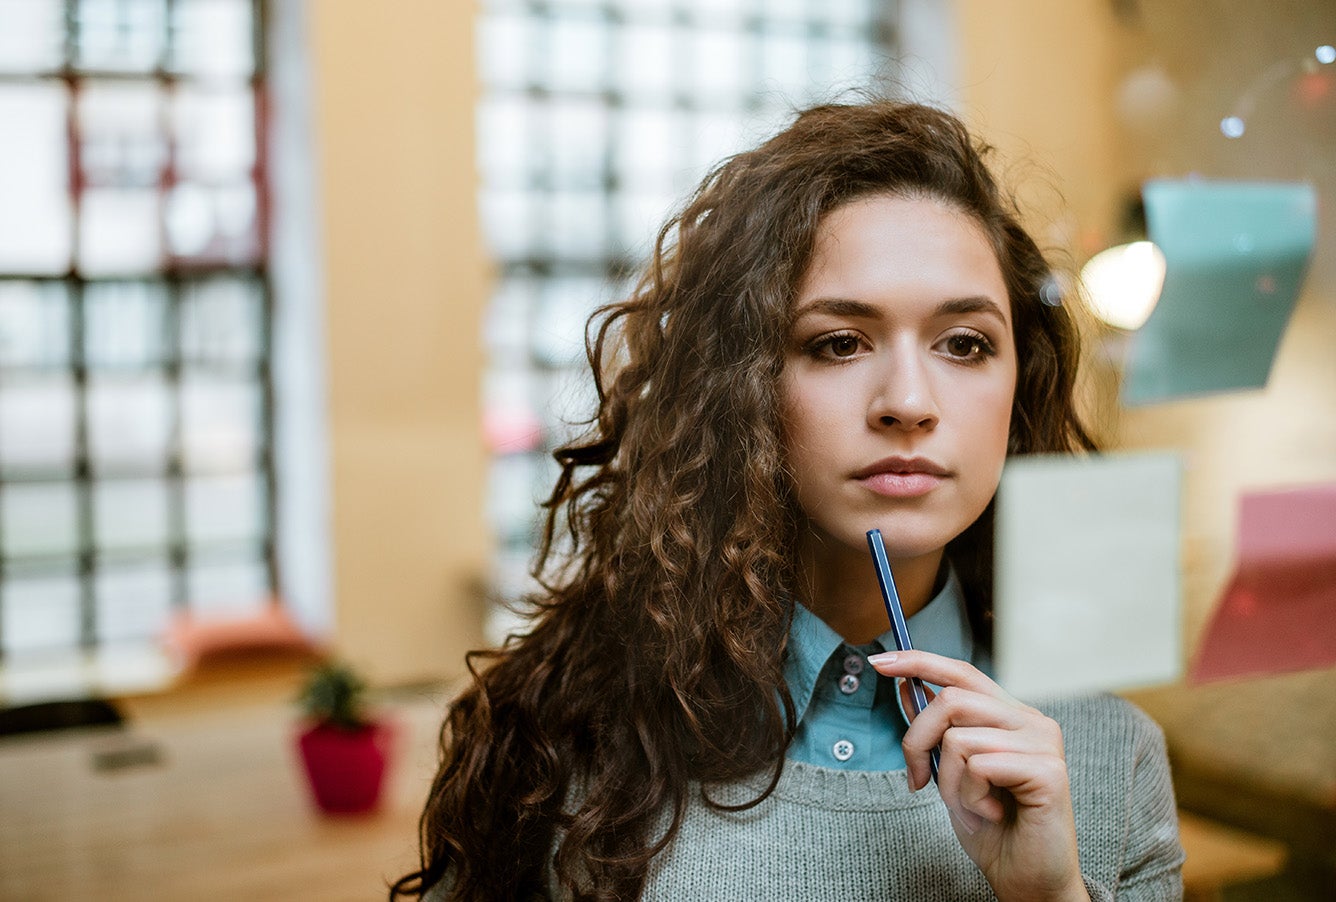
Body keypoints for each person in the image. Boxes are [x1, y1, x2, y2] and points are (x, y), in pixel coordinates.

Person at [392, 99, 1185, 901]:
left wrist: (1052, 896)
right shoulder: (564, 741)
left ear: (1020, 387)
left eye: (964, 344)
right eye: (838, 343)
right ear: (742, 390)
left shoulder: (1110, 759)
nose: (908, 402)